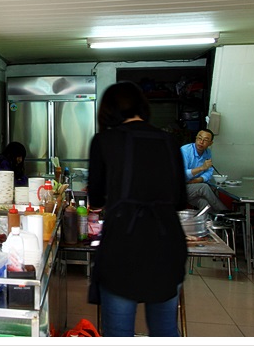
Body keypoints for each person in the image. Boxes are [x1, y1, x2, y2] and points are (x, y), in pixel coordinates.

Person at [87, 81, 187, 337]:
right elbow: (180, 200)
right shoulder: (169, 141)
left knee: (119, 333)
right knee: (165, 330)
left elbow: (95, 199)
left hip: (123, 246)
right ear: (142, 106)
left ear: (108, 111)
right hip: (167, 244)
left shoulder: (104, 141)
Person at [180, 129, 229, 214]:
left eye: (205, 140)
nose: (201, 142)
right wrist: (201, 168)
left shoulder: (207, 152)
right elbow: (181, 174)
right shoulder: (185, 151)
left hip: (193, 187)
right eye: (199, 138)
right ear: (196, 138)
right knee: (204, 187)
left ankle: (213, 221)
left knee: (205, 203)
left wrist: (198, 180)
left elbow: (209, 171)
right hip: (180, 188)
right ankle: (225, 212)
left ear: (210, 143)